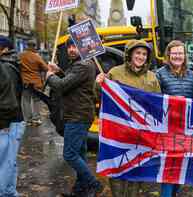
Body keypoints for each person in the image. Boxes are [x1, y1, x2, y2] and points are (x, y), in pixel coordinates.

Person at [96, 39, 161, 197]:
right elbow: (101, 96)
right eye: (138, 53)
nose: (141, 56)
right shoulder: (115, 72)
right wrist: (98, 84)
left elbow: (158, 103)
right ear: (130, 54)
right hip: (118, 131)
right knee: (117, 166)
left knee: (136, 168)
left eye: (144, 54)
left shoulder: (152, 77)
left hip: (141, 133)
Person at [46, 38, 105, 197]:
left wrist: (49, 76)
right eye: (69, 47)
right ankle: (80, 189)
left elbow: (61, 86)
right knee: (79, 153)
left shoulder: (83, 65)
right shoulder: (80, 64)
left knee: (70, 154)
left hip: (77, 116)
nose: (71, 50)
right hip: (79, 114)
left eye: (75, 46)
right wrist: (58, 71)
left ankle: (94, 183)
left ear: (83, 48)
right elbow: (71, 81)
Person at [156, 40, 193, 197]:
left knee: (181, 167)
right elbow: (156, 100)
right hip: (167, 129)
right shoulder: (160, 74)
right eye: (174, 53)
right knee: (168, 168)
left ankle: (174, 193)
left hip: (185, 129)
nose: (177, 56)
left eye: (180, 53)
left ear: (185, 56)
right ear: (168, 55)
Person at [0, 36, 25, 197]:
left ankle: (6, 192)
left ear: (4, 49)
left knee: (5, 162)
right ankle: (8, 191)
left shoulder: (5, 67)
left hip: (8, 122)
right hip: (12, 121)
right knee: (8, 161)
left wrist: (3, 123)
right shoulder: (10, 64)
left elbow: (8, 102)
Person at [19, 40, 48, 126]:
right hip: (36, 82)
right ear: (34, 46)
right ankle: (36, 119)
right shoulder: (36, 56)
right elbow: (45, 68)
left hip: (25, 81)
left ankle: (28, 120)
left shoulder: (20, 55)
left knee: (26, 100)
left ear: (27, 45)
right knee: (36, 100)